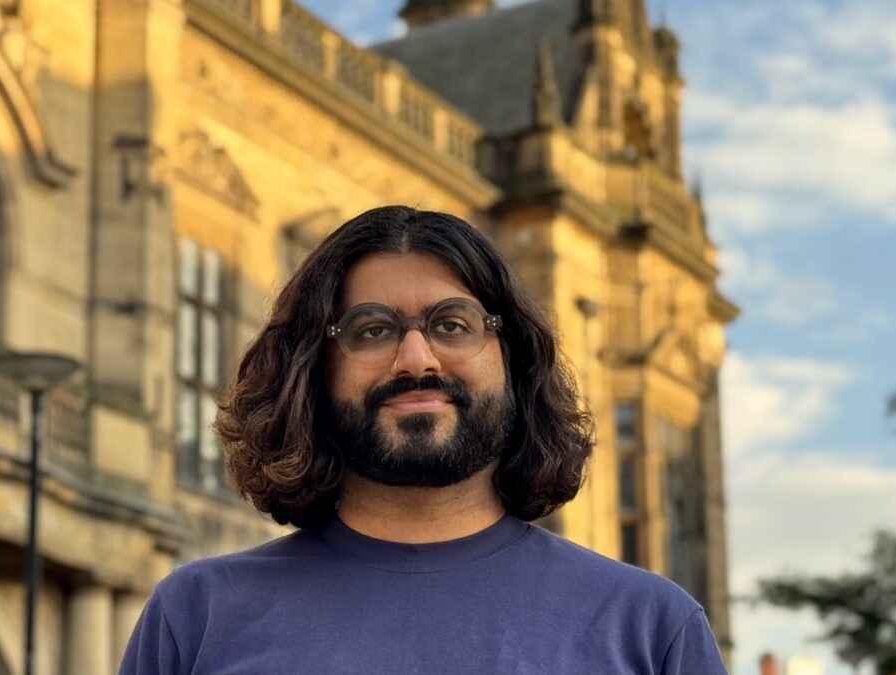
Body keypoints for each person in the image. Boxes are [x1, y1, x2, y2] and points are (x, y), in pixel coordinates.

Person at [119, 206, 727, 674]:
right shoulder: (196, 615)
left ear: (511, 359)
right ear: (314, 367)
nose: (416, 359)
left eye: (451, 325)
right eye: (373, 329)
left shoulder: (652, 629)